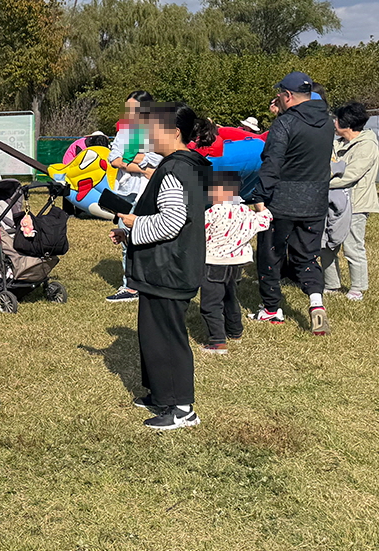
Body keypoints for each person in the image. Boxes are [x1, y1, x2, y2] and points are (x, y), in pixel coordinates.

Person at [111, 103, 212, 431]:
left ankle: (182, 409)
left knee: (167, 338)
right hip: (170, 265)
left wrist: (134, 225)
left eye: (154, 130)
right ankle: (162, 394)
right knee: (154, 335)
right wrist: (130, 232)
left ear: (175, 132)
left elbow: (172, 221)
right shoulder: (189, 165)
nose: (148, 137)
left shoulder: (174, 169)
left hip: (169, 268)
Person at [252, 72, 335, 334]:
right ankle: (316, 302)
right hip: (316, 200)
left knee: (270, 254)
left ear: (287, 95)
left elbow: (272, 162)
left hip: (282, 201)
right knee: (307, 256)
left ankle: (271, 308)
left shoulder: (285, 123)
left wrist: (260, 197)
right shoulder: (328, 122)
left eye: (279, 94)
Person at [199, 173, 272, 354]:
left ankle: (217, 341)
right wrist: (262, 208)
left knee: (211, 303)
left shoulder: (212, 212)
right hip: (237, 262)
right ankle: (235, 331)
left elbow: (199, 234)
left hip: (214, 261)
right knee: (230, 296)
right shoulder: (246, 212)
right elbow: (265, 220)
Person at [322, 102, 379, 300]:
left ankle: (357, 288)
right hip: (332, 202)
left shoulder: (368, 145)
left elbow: (351, 175)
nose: (334, 122)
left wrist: (321, 182)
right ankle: (331, 284)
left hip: (356, 203)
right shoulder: (336, 142)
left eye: (337, 119)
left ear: (347, 124)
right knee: (326, 245)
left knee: (353, 246)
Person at [106, 91, 154, 303]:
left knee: (149, 237)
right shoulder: (124, 132)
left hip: (149, 192)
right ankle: (131, 286)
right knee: (126, 237)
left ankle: (149, 282)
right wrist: (142, 166)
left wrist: (129, 158)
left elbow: (157, 158)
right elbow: (114, 159)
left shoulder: (158, 131)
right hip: (126, 192)